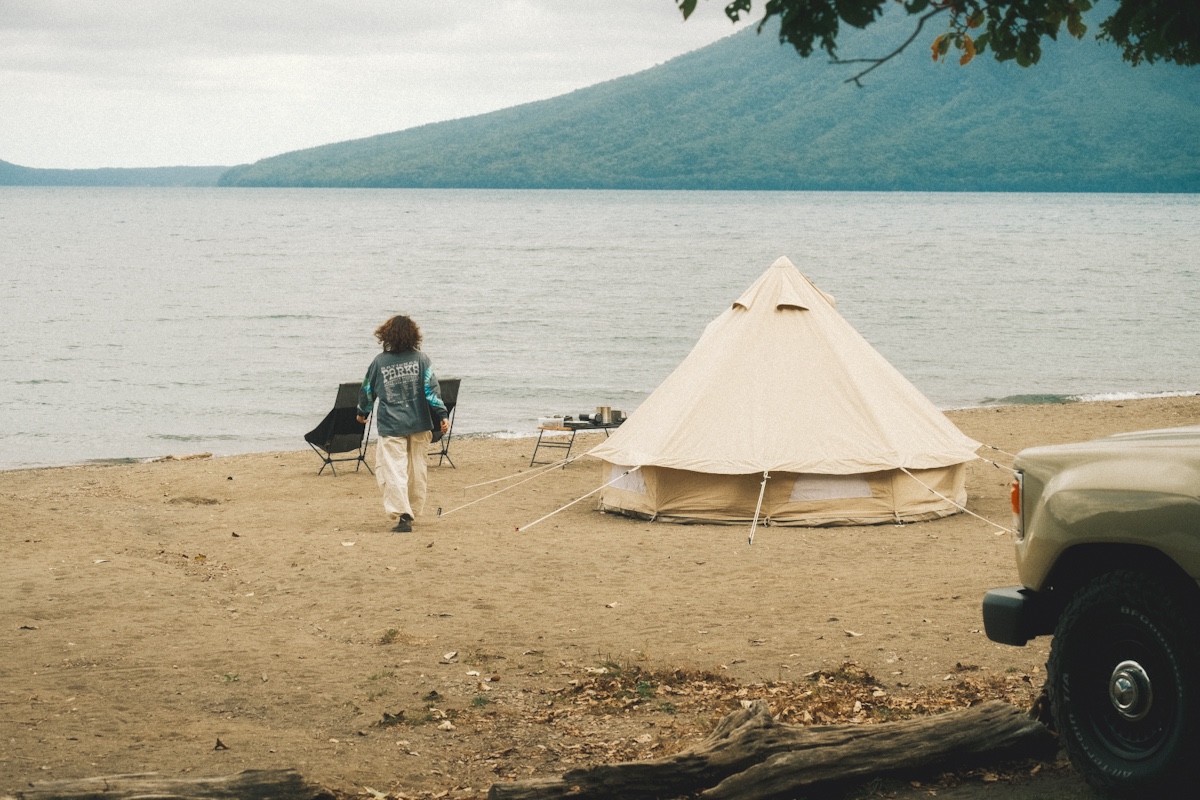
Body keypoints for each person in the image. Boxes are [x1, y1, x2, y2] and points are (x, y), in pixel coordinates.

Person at [356, 315, 449, 533]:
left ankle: (403, 514)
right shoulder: (421, 359)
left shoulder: (379, 362)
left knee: (394, 470)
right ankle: (412, 509)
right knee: (417, 469)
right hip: (419, 423)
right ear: (413, 335)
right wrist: (442, 415)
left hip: (392, 426)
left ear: (386, 336)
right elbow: (432, 391)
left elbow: (367, 391)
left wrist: (362, 412)